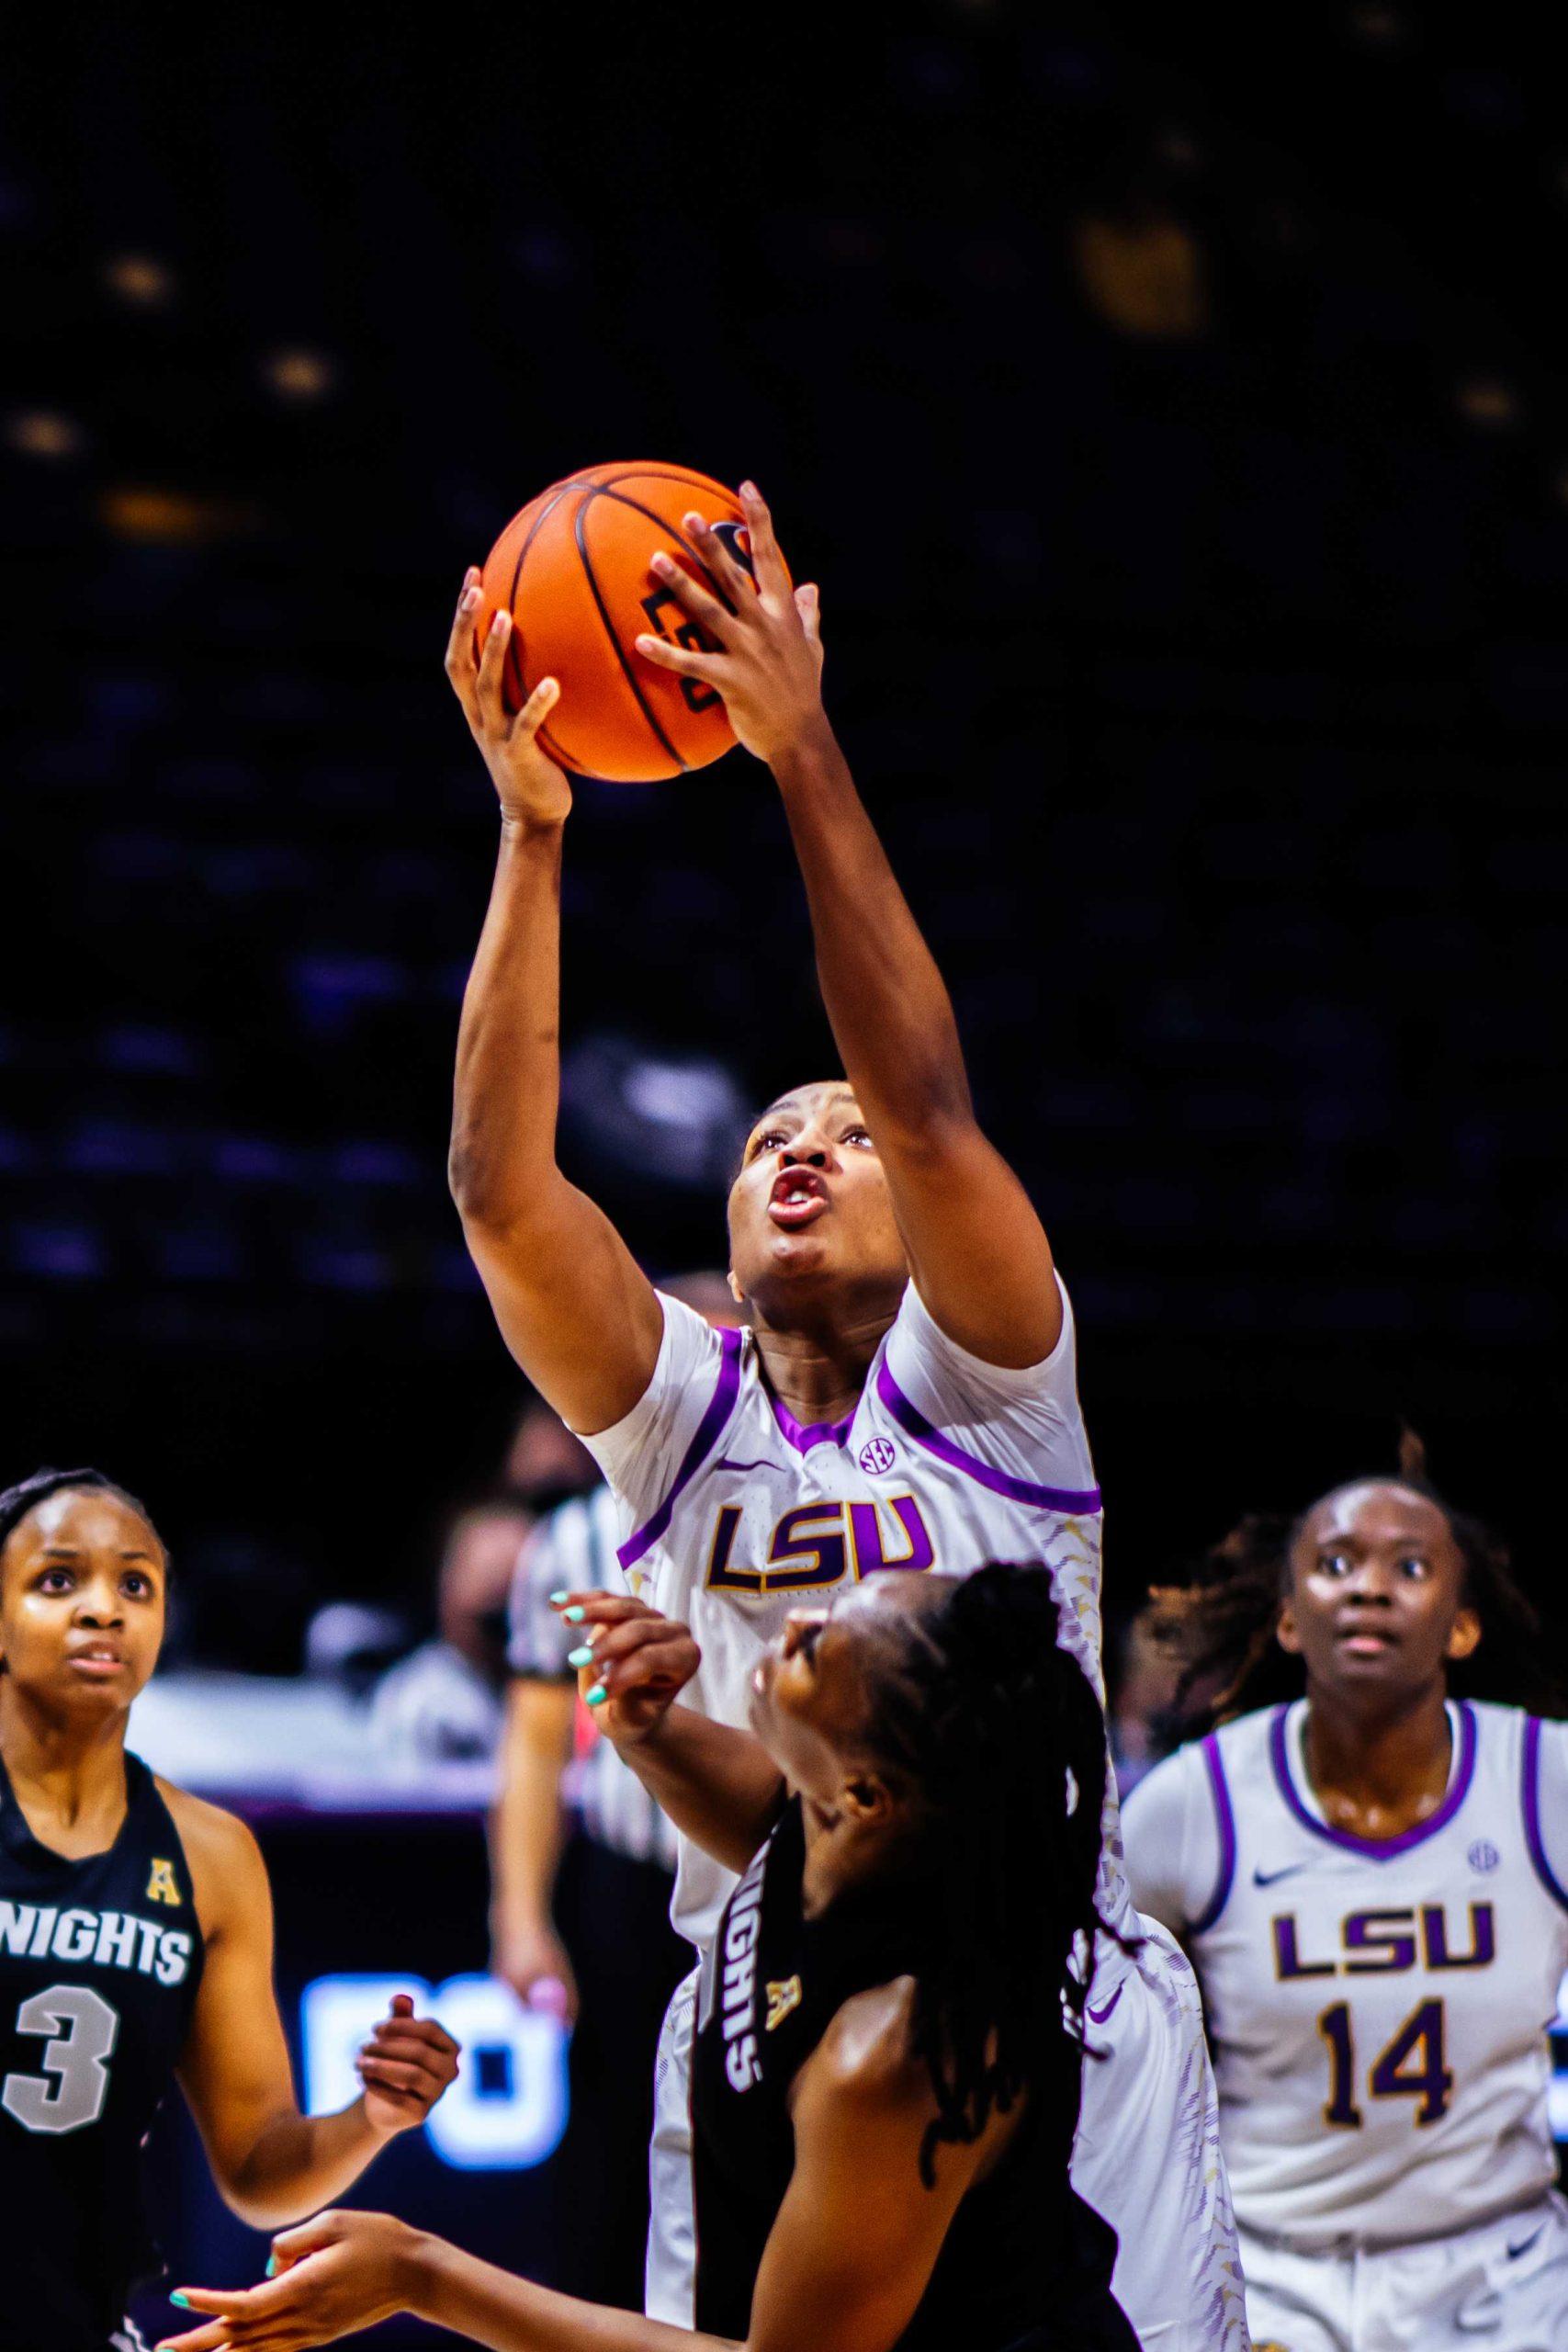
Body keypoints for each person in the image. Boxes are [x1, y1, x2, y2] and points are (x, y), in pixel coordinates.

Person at [425, 484, 1244, 2347]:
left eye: (836, 1131)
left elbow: (929, 1094)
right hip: (763, 1958)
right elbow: (497, 1188)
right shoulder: (674, 1408)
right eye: (766, 1136)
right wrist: (532, 833)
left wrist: (800, 754)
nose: (802, 1147)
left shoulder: (988, 1379)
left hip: (1041, 1988)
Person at [154, 1566, 1142, 2352]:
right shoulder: (834, 1822)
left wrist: (420, 2272)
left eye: (819, 1647)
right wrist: (640, 1726)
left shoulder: (889, 2053)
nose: (792, 1628)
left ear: (867, 1793)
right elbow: (757, 1812)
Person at [0, 1465, 461, 2352]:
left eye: (135, 1583)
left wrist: (373, 2117)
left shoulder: (211, 1854)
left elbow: (256, 2169)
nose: (104, 1609)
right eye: (59, 1580)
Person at [1122, 1435, 1568, 2352]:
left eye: (1409, 1566)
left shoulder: (1543, 1777)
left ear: (1462, 1625)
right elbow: (1091, 2035)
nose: (1368, 1587)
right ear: (1290, 1619)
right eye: (1334, 1565)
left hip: (1501, 2267)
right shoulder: (1194, 1802)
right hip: (1268, 2266)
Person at [490, 1276, 739, 2312]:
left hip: (781, 1872)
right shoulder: (574, 1535)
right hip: (630, 1887)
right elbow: (536, 1747)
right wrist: (519, 1917)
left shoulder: (831, 1508)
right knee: (614, 2170)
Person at [370, 1497, 535, 1764]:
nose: (507, 1639)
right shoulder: (426, 1702)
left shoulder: (555, 1689)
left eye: (518, 1614)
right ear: (447, 1595)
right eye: (491, 1622)